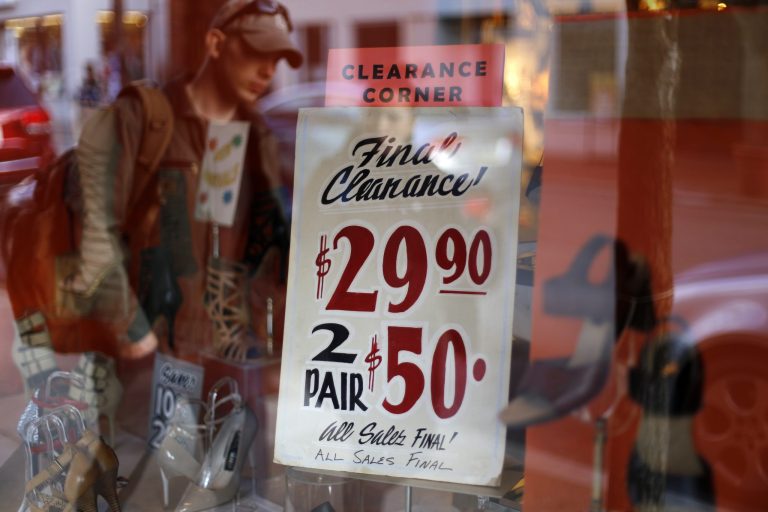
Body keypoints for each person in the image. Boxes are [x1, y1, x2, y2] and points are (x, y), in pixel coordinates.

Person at [61, 0, 303, 361]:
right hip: (151, 353)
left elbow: (268, 251)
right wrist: (132, 329)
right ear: (217, 44)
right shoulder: (145, 117)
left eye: (277, 58)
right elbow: (92, 231)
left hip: (228, 353)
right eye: (256, 51)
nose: (269, 69)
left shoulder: (254, 136)